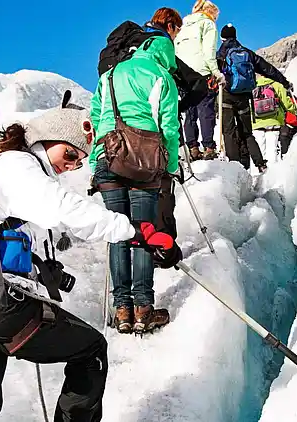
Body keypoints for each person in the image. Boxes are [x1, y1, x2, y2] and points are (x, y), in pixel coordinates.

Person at [0, 106, 181, 422]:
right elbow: (66, 210)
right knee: (90, 350)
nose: (72, 165)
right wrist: (136, 231)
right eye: (69, 154)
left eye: (79, 160)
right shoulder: (16, 165)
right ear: (46, 138)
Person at [89, 25, 181, 334]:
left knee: (118, 232)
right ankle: (143, 309)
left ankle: (122, 311)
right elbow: (168, 128)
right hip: (143, 163)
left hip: (109, 157)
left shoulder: (110, 75)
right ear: (163, 53)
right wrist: (169, 166)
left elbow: (99, 118)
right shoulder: (161, 77)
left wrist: (94, 161)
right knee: (143, 233)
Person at [218, 23, 293, 173]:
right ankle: (259, 164)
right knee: (246, 132)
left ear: (222, 38)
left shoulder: (221, 54)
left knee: (229, 131)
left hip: (227, 95)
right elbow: (267, 69)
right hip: (244, 96)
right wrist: (284, 82)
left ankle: (235, 168)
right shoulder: (247, 53)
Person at [175, 0, 225, 161]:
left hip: (182, 74)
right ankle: (209, 147)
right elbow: (209, 51)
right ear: (210, 12)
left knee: (189, 111)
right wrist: (216, 73)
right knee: (206, 110)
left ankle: (193, 147)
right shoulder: (207, 24)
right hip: (201, 71)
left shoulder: (182, 26)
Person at [252, 74, 297, 162]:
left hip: (256, 124)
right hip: (274, 122)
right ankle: (272, 174)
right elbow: (287, 104)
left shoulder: (252, 86)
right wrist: (295, 112)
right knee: (272, 151)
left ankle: (258, 173)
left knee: (259, 152)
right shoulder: (276, 84)